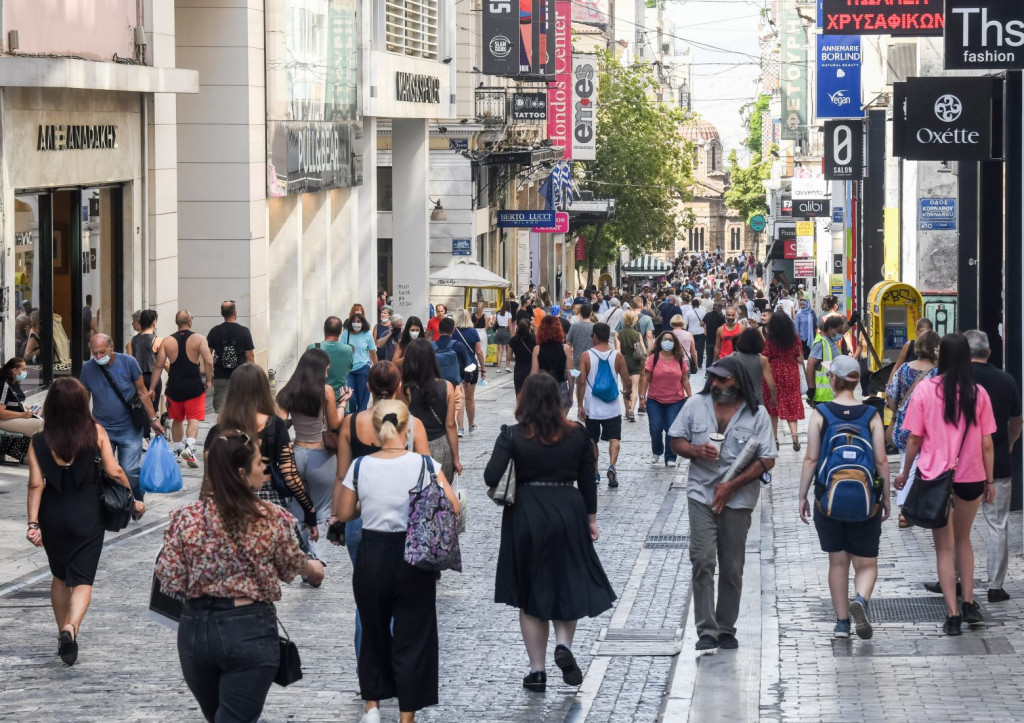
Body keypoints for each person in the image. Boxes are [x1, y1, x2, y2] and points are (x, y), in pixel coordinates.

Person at [156, 430, 324, 722]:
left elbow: (169, 578)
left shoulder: (186, 518)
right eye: (259, 463)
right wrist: (311, 567)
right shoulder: (271, 518)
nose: (263, 469)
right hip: (248, 630)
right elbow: (287, 569)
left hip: (196, 631)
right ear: (242, 473)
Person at [484, 373, 615, 693]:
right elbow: (588, 480)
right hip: (568, 509)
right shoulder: (577, 435)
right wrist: (591, 520)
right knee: (567, 581)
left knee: (530, 593)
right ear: (558, 401)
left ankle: (537, 671)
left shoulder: (512, 435)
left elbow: (491, 476)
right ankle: (565, 646)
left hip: (526, 513)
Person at [335, 400, 459, 723]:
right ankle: (406, 717)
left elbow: (346, 512)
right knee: (414, 634)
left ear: (377, 430)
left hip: (373, 554)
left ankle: (372, 707)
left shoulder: (360, 466)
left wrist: (368, 505)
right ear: (407, 429)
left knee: (373, 630)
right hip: (413, 555)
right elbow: (453, 506)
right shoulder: (424, 465)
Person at [26, 378, 139, 665]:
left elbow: (36, 485)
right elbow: (113, 471)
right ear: (81, 404)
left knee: (60, 577)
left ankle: (59, 631)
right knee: (83, 580)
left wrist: (33, 523)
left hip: (53, 515)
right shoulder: (96, 432)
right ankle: (70, 628)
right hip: (87, 514)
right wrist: (132, 496)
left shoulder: (39, 441)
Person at [330, 361, 431, 681]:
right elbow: (427, 473)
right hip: (404, 520)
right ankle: (396, 667)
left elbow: (342, 475)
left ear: (368, 388)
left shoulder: (350, 423)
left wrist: (336, 517)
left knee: (367, 600)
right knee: (401, 599)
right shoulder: (412, 424)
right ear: (400, 386)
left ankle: (369, 672)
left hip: (361, 516)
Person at [669, 358, 777, 651]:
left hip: (739, 498)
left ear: (738, 382)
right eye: (713, 379)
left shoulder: (757, 415)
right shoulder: (696, 405)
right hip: (701, 493)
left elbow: (767, 459)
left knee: (732, 566)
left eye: (723, 380)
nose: (716, 384)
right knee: (702, 559)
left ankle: (726, 627)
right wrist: (695, 450)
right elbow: (674, 439)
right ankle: (706, 630)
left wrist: (732, 485)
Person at [894, 334, 996, 636]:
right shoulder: (978, 393)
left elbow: (914, 438)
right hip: (971, 476)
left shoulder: (925, 391)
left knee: (943, 548)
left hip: (934, 477)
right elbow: (987, 443)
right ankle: (968, 602)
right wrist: (990, 480)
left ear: (941, 358)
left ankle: (951, 614)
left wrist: (904, 472)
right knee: (964, 541)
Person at [798, 357, 890, 640]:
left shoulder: (821, 413)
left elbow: (812, 458)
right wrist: (885, 497)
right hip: (866, 500)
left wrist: (802, 495)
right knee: (867, 564)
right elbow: (881, 460)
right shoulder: (871, 414)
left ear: (833, 380)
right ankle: (860, 600)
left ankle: (841, 624)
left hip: (829, 497)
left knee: (837, 563)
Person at [204, 364, 319, 541]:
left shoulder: (217, 431)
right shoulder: (274, 425)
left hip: (227, 500)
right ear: (263, 390)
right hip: (268, 499)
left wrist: (204, 511)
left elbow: (209, 478)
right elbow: (289, 473)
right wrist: (309, 510)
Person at [948, 331, 1019, 603]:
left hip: (957, 465)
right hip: (997, 463)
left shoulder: (953, 382)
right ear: (989, 353)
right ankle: (995, 585)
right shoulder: (1006, 380)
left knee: (956, 527)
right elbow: (1017, 420)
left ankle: (953, 578)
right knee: (997, 524)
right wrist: (1010, 444)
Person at [275, 348, 343, 560]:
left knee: (299, 507)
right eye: (326, 366)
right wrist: (342, 406)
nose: (328, 370)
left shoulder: (287, 392)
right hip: (321, 456)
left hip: (296, 454)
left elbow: (280, 423)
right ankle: (315, 558)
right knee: (322, 509)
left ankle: (305, 555)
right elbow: (334, 423)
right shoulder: (327, 392)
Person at [80, 334, 164, 500]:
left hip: (130, 428)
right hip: (102, 429)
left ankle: (137, 499)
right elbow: (84, 396)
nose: (98, 357)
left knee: (129, 469)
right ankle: (113, 503)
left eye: (102, 352)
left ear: (111, 348)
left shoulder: (128, 362)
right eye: (94, 353)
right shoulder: (88, 368)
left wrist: (153, 420)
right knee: (105, 470)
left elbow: (142, 392)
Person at [885, 331, 940, 524]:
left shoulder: (904, 369)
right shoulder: (937, 372)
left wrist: (898, 410)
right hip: (930, 427)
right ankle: (910, 509)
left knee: (906, 464)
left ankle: (906, 509)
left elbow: (890, 395)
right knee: (921, 467)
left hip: (905, 425)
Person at [151, 311, 214, 468]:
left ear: (176, 322)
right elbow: (209, 361)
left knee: (177, 419)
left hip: (174, 387)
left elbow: (159, 365)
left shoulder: (167, 341)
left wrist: (152, 388)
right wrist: (209, 380)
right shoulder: (199, 339)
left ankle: (178, 451)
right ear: (190, 322)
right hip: (194, 386)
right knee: (193, 419)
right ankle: (190, 448)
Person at [576, 323, 633, 489]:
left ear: (594, 336)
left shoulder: (586, 356)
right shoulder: (617, 356)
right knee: (614, 438)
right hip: (612, 406)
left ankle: (595, 472)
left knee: (592, 440)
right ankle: (612, 466)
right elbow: (626, 380)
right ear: (608, 336)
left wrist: (580, 405)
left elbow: (581, 382)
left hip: (592, 407)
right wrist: (627, 392)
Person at [402, 339, 462, 482]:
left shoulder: (404, 390)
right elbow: (451, 425)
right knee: (442, 494)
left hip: (414, 448)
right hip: (442, 446)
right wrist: (456, 458)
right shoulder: (447, 386)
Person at [638, 331, 692, 467]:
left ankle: (670, 456)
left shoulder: (679, 359)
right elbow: (646, 378)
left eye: (670, 340)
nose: (667, 342)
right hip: (655, 400)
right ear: (660, 341)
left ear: (674, 343)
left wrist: (690, 397)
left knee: (671, 429)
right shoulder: (653, 358)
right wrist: (642, 397)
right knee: (655, 427)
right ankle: (657, 451)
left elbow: (685, 379)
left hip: (676, 400)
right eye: (665, 339)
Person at [761, 312, 805, 450]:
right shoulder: (795, 339)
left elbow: (765, 357)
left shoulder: (770, 340)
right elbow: (799, 358)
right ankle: (794, 435)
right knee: (792, 402)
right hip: (791, 373)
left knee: (772, 406)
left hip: (774, 372)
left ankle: (775, 439)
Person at [206, 301, 255, 413]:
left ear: (221, 313)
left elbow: (208, 356)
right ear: (235, 313)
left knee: (220, 411)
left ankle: (222, 430)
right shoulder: (244, 331)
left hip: (220, 376)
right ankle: (238, 430)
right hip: (240, 377)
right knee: (241, 409)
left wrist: (210, 376)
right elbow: (250, 357)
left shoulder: (215, 331)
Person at [432, 317, 473, 436]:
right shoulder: (458, 346)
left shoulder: (431, 346)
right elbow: (468, 365)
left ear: (439, 330)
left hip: (436, 385)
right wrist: (467, 380)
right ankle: (458, 430)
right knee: (456, 408)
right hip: (454, 384)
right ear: (453, 330)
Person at [128, 310, 163, 442]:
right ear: (154, 322)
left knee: (140, 406)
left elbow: (130, 360)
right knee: (152, 408)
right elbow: (163, 363)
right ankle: (149, 436)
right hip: (153, 377)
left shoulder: (133, 340)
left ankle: (144, 436)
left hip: (137, 377)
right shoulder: (157, 340)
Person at [532, 315, 575, 411]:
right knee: (560, 424)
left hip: (542, 390)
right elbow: (570, 374)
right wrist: (571, 394)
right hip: (561, 389)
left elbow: (533, 375)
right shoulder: (566, 349)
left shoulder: (537, 349)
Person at [453, 309, 485, 433]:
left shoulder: (453, 332)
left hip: (456, 366)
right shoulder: (473, 332)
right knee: (470, 397)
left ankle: (460, 427)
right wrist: (483, 368)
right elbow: (479, 352)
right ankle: (471, 424)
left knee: (460, 397)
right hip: (471, 365)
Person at [310, 316, 355, 402]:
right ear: (341, 331)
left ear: (324, 329)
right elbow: (349, 369)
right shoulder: (348, 350)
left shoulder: (313, 348)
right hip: (341, 400)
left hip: (317, 400)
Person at [343, 307, 379, 413]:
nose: (356, 323)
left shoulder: (367, 335)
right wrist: (347, 349)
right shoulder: (346, 334)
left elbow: (373, 353)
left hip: (363, 369)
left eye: (358, 321)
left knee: (362, 399)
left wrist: (377, 368)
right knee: (351, 398)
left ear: (363, 323)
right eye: (354, 321)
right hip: (349, 370)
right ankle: (351, 419)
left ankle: (361, 420)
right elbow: (341, 350)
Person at [733, 328, 777, 410]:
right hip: (756, 399)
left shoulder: (733, 357)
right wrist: (774, 398)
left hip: (736, 398)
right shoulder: (762, 360)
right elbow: (772, 385)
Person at [806, 316, 845, 407]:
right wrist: (811, 388)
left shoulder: (830, 341)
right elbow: (810, 365)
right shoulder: (820, 343)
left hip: (831, 393)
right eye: (838, 331)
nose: (840, 334)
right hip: (822, 396)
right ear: (830, 329)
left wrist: (851, 323)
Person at [0, 357, 43, 438]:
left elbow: (14, 404)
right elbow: (1, 413)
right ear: (14, 370)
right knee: (41, 425)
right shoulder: (4, 385)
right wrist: (22, 414)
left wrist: (27, 409)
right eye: (23, 369)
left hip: (14, 417)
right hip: (3, 420)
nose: (25, 372)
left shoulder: (15, 383)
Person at [887, 318, 934, 385]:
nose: (924, 337)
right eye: (922, 333)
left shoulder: (935, 348)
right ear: (916, 332)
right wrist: (889, 385)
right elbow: (896, 367)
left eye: (927, 333)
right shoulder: (909, 345)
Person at [616, 310, 645, 422]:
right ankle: (632, 409)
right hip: (636, 363)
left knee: (625, 388)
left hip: (624, 363)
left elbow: (618, 350)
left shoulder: (618, 334)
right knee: (634, 388)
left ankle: (627, 412)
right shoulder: (638, 335)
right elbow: (643, 350)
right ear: (634, 321)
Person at [510, 319, 536, 397]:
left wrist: (517, 359)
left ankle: (520, 408)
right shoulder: (534, 340)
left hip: (519, 368)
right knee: (531, 395)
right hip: (531, 369)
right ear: (529, 328)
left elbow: (509, 357)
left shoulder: (513, 340)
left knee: (519, 394)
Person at [565, 303, 595, 369]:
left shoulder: (574, 326)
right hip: (592, 360)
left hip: (577, 361)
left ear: (580, 313)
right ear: (591, 313)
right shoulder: (595, 327)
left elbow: (568, 344)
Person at [681, 298, 707, 369]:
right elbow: (705, 323)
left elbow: (685, 325)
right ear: (699, 305)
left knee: (692, 348)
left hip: (691, 333)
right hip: (701, 332)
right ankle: (700, 363)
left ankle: (693, 362)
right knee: (700, 348)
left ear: (692, 305)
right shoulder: (703, 312)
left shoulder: (689, 313)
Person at [703, 303, 726, 368]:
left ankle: (707, 371)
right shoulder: (721, 318)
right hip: (718, 340)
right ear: (720, 309)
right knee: (716, 356)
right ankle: (714, 370)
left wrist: (705, 328)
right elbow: (724, 327)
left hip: (709, 339)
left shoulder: (708, 315)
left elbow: (701, 324)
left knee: (709, 356)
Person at [493, 302, 513, 372]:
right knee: (508, 350)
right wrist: (512, 334)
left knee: (500, 351)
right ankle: (507, 366)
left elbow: (496, 322)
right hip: (506, 331)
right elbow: (510, 325)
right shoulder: (508, 314)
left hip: (498, 331)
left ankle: (498, 368)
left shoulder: (498, 313)